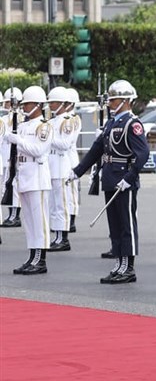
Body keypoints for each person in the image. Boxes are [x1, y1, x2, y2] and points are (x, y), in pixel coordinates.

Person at [72, 80, 150, 284]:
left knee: (126, 224)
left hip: (124, 179)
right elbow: (97, 149)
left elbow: (142, 154)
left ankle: (128, 267)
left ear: (125, 101)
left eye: (113, 99)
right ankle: (119, 262)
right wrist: (77, 172)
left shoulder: (132, 124)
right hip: (110, 177)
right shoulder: (112, 123)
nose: (109, 103)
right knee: (114, 224)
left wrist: (129, 178)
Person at [8, 86, 53, 275]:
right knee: (28, 221)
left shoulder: (44, 126)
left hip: (37, 176)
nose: (24, 107)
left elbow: (38, 150)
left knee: (39, 220)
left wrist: (18, 141)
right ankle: (31, 256)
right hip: (24, 175)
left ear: (38, 105)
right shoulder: (23, 125)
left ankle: (40, 259)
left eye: (27, 104)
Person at [47, 87, 81, 252]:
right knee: (53, 205)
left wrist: (47, 138)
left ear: (62, 103)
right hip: (51, 167)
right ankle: (57, 236)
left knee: (62, 204)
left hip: (62, 167)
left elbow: (65, 144)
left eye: (53, 102)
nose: (50, 105)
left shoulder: (68, 121)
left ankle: (63, 238)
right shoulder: (52, 121)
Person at [1, 87, 23, 227]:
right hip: (6, 156)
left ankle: (15, 215)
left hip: (13, 156)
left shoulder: (19, 118)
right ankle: (11, 214)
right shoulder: (6, 118)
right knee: (8, 186)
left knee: (14, 186)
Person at [63, 88, 82, 233]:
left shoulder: (74, 118)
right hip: (63, 157)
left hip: (70, 157)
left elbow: (69, 140)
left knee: (72, 190)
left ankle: (72, 220)